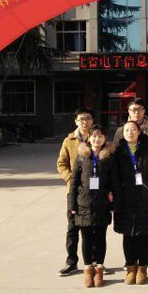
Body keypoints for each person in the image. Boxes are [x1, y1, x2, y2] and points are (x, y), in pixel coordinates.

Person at [112, 97, 148, 270]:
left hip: (147, 184)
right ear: (128, 111)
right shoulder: (120, 131)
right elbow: (114, 158)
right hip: (127, 188)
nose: (136, 112)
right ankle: (131, 261)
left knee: (145, 224)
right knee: (129, 225)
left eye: (139, 109)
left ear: (144, 111)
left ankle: (147, 258)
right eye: (132, 109)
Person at [68, 124, 115, 288]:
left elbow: (114, 180)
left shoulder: (109, 157)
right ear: (89, 138)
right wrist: (72, 203)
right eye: (94, 136)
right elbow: (74, 182)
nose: (97, 139)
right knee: (86, 238)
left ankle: (99, 268)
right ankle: (88, 269)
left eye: (100, 136)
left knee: (101, 237)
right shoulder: (82, 156)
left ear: (105, 138)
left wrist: (112, 196)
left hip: (102, 203)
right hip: (84, 203)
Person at [56, 107, 94, 276]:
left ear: (92, 120)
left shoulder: (97, 138)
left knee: (91, 228)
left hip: (93, 192)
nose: (84, 122)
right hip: (74, 192)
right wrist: (71, 179)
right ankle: (71, 261)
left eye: (88, 118)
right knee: (73, 227)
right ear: (76, 121)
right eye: (81, 119)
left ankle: (93, 262)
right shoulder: (69, 141)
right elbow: (61, 164)